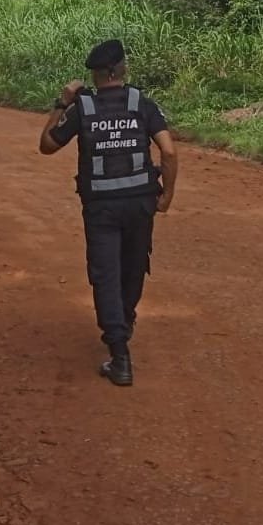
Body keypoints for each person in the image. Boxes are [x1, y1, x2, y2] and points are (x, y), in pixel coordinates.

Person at [39, 39, 178, 387]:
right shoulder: (141, 103)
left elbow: (46, 145)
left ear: (97, 75)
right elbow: (169, 152)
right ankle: (124, 322)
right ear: (121, 70)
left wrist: (61, 103)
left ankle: (120, 355)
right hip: (140, 204)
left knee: (105, 274)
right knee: (133, 268)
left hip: (101, 207)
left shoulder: (83, 108)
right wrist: (168, 197)